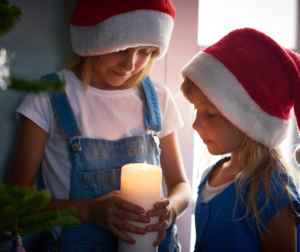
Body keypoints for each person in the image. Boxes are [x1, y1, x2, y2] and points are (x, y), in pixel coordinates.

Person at [6, 1, 191, 251]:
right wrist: (88, 212)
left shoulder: (158, 98)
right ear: (93, 37)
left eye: (145, 51)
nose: (130, 64)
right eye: (122, 48)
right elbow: (16, 203)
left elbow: (181, 185)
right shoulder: (47, 98)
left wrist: (171, 210)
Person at [180, 27, 300, 252]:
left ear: (249, 122)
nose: (195, 124)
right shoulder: (211, 175)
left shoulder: (272, 193)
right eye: (196, 109)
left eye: (212, 113)